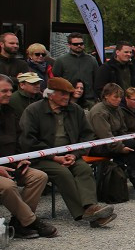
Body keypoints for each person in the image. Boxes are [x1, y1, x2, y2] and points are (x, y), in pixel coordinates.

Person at [20, 77, 115, 227]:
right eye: (63, 94)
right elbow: (28, 141)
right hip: (42, 157)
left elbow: (87, 135)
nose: (67, 97)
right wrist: (54, 157)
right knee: (62, 173)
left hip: (70, 153)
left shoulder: (75, 110)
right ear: (50, 94)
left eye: (69, 94)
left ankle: (91, 207)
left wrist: (75, 154)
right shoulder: (33, 111)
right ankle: (87, 212)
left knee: (83, 169)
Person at [0, 73, 56, 238]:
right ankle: (31, 221)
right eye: (4, 91)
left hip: (10, 164)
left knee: (39, 177)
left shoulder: (9, 112)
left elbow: (18, 140)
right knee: (8, 186)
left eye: (10, 90)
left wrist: (20, 158)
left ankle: (19, 223)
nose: (9, 94)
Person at [88, 83, 135, 203]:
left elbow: (122, 130)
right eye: (115, 97)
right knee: (131, 149)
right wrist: (121, 148)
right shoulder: (99, 112)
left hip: (114, 141)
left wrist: (124, 144)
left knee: (132, 150)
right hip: (96, 145)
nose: (119, 100)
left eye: (120, 97)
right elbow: (106, 137)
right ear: (106, 96)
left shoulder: (117, 109)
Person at [52, 33, 97, 102]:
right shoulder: (61, 61)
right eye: (75, 44)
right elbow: (56, 81)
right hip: (68, 99)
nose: (79, 45)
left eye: (81, 43)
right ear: (69, 45)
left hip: (88, 99)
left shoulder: (92, 60)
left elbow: (96, 79)